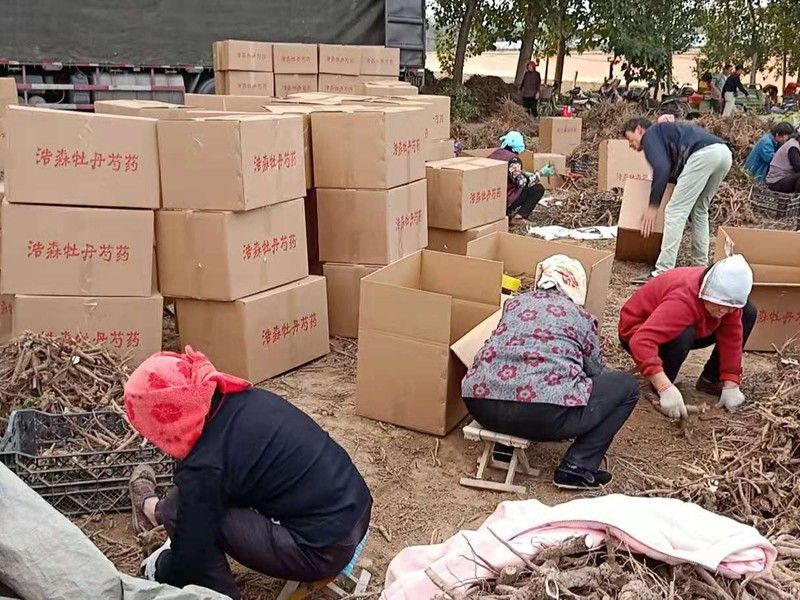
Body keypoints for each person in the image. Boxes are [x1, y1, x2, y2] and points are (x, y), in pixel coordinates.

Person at [125, 347, 372, 600]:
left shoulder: (205, 464)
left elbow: (192, 555)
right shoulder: (239, 400)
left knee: (181, 513)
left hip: (322, 549)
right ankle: (154, 509)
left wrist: (161, 568)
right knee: (192, 500)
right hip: (356, 511)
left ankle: (224, 594)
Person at [461, 255, 640, 490]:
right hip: (541, 415)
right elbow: (596, 371)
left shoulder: (514, 304)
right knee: (627, 386)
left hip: (479, 405)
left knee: (512, 372)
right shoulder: (582, 317)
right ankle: (577, 467)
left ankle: (503, 450)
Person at [618, 255, 756, 420]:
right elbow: (640, 341)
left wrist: (731, 381)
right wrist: (664, 387)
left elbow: (731, 336)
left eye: (729, 308)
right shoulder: (683, 300)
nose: (723, 312)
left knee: (747, 312)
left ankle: (710, 380)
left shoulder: (727, 301)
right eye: (719, 306)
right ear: (707, 293)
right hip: (638, 331)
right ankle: (659, 386)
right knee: (683, 334)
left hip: (685, 325)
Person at [623, 118, 732, 284]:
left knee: (675, 211)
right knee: (700, 210)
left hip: (703, 155)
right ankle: (699, 267)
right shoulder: (665, 134)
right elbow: (672, 170)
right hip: (723, 153)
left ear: (639, 130)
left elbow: (662, 168)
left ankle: (662, 271)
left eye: (630, 139)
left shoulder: (651, 134)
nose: (631, 145)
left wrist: (653, 207)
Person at [488, 131, 549, 222]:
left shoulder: (494, 154)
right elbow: (522, 183)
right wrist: (540, 174)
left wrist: (523, 174)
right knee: (538, 189)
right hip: (506, 199)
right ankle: (518, 218)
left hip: (491, 197)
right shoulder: (513, 160)